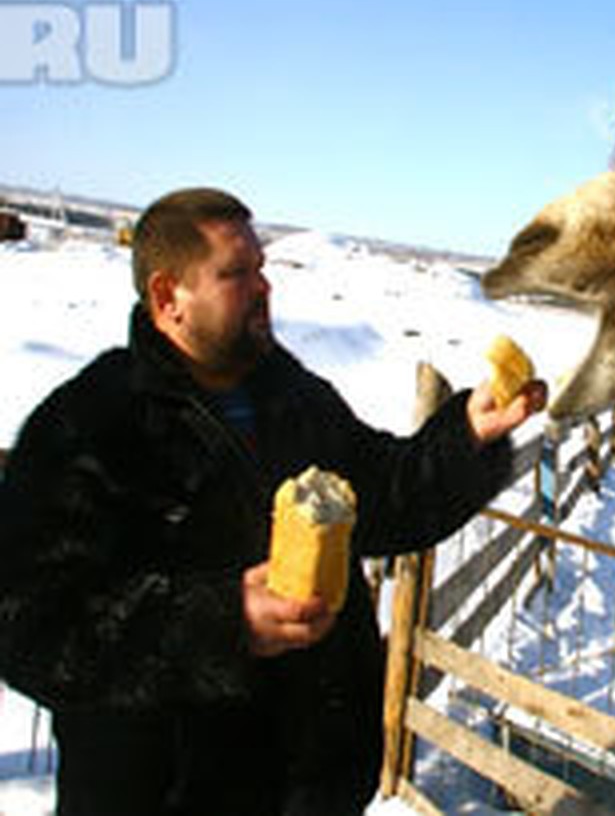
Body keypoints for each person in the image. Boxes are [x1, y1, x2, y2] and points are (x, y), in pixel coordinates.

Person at [0, 188, 546, 816]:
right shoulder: (90, 427)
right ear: (165, 297)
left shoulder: (294, 398)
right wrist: (222, 624)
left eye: (263, 269)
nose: (264, 289)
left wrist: (468, 435)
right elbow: (31, 628)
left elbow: (388, 495)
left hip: (312, 792)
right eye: (236, 274)